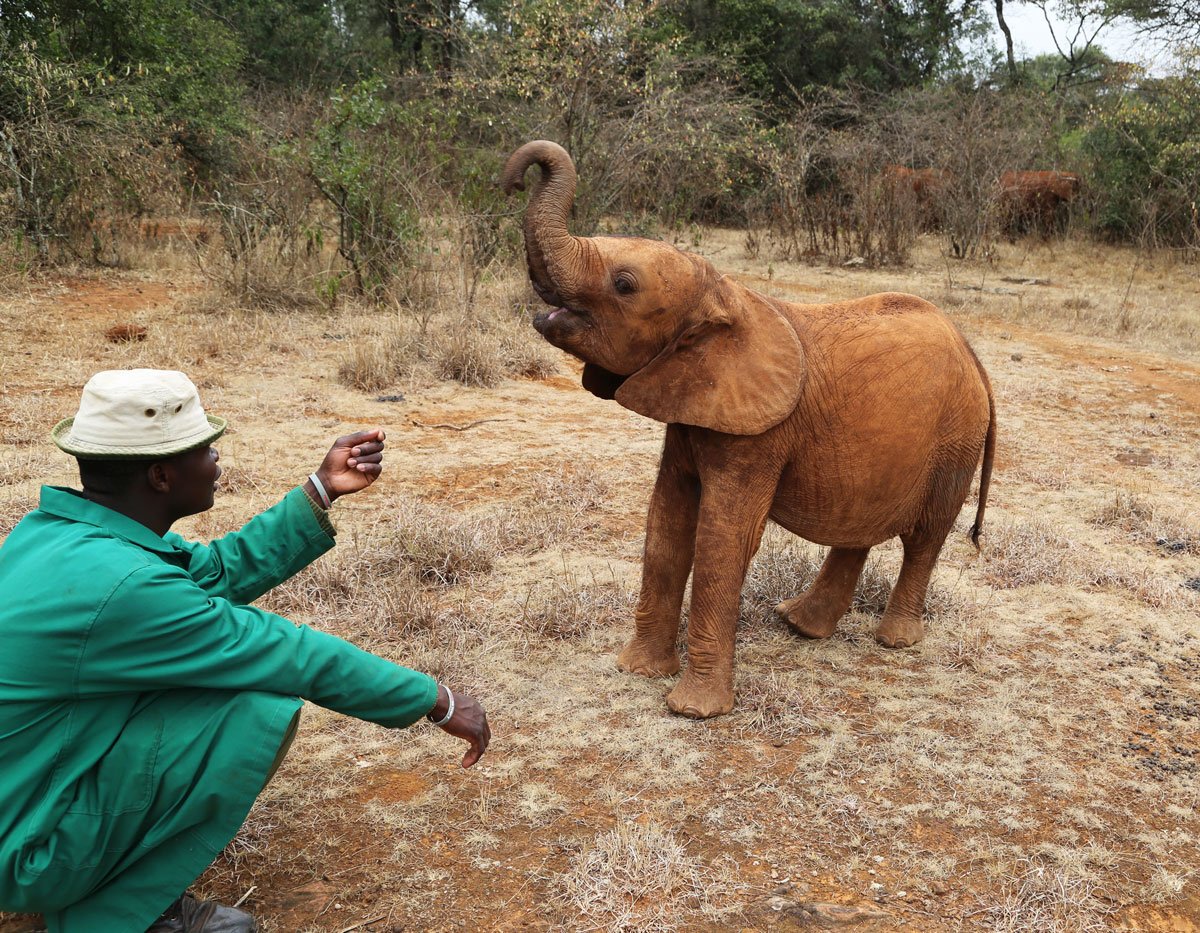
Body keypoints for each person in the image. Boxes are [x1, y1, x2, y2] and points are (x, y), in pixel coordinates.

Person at [0, 369, 490, 933]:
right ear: (161, 476)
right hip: (25, 849)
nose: (216, 460)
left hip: (24, 795)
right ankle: (119, 914)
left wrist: (321, 489)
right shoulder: (128, 586)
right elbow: (288, 653)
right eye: (204, 450)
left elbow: (209, 572)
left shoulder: (59, 532)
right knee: (251, 707)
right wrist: (438, 700)